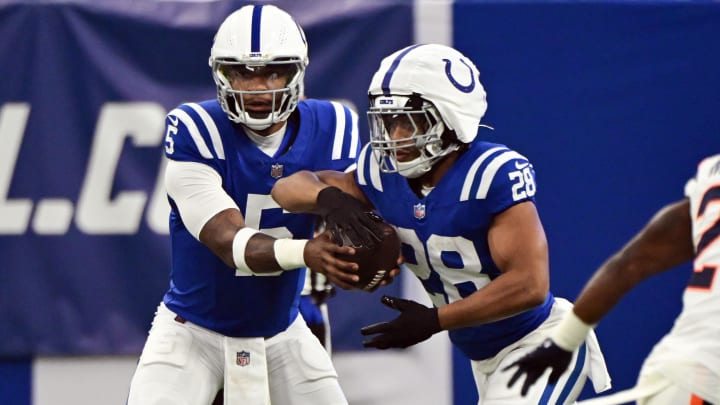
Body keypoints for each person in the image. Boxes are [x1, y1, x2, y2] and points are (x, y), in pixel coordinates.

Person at [271, 43, 611, 404]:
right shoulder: (380, 173)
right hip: (485, 357)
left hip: (540, 341)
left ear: (451, 117)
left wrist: (435, 320)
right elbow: (285, 188)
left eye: (407, 120)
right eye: (387, 121)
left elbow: (530, 285)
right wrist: (330, 199)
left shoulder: (489, 175)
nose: (394, 136)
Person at [126, 5, 364, 405]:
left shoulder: (334, 126)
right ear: (221, 75)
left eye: (273, 72)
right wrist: (307, 251)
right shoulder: (195, 130)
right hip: (193, 334)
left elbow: (365, 212)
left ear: (297, 74)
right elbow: (229, 243)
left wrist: (372, 245)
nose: (257, 89)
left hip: (282, 331)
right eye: (242, 73)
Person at [505, 154, 720, 405]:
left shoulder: (712, 176)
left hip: (684, 371)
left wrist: (564, 341)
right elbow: (634, 262)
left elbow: (632, 262)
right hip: (704, 378)